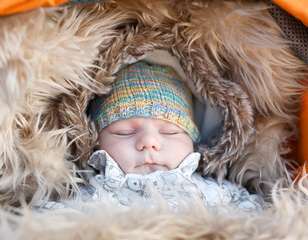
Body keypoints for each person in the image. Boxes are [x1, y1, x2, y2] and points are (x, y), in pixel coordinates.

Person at [73, 60, 265, 212]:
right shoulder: (83, 198)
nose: (149, 142)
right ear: (96, 142)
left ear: (193, 140)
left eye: (170, 132)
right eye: (124, 133)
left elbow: (262, 218)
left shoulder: (217, 193)